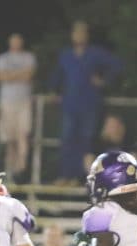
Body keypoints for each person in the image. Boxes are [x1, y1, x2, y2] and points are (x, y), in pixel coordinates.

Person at [49, 21, 122, 185]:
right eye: (76, 33)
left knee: (85, 141)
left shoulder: (95, 53)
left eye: (82, 33)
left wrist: (103, 80)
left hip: (89, 104)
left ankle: (80, 177)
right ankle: (64, 175)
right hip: (70, 104)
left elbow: (116, 65)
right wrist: (54, 91)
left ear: (87, 36)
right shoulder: (66, 55)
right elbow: (57, 75)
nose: (79, 36)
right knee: (67, 140)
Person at [0, 33, 36, 181]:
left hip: (24, 101)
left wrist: (10, 75)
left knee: (23, 134)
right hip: (7, 101)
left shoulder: (29, 57)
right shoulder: (3, 58)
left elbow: (29, 75)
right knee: (9, 138)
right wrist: (20, 74)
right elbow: (1, 77)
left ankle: (22, 168)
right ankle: (10, 169)